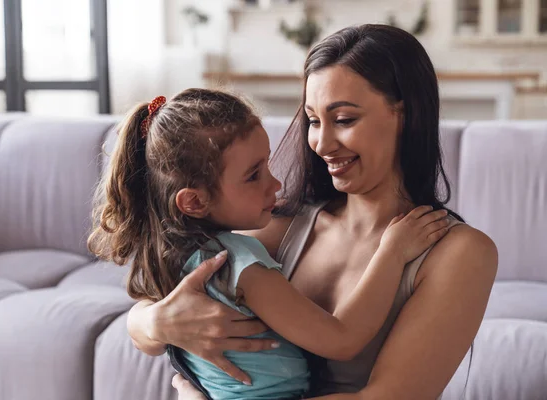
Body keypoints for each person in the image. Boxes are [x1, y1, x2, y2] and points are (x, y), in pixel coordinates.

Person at [127, 24, 498, 399]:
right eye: (314, 121)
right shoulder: (277, 225)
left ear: (405, 113)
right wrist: (156, 323)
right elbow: (157, 298)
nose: (322, 143)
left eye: (344, 120)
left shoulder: (460, 254)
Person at [88, 87, 450, 400]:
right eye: (254, 175)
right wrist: (392, 252)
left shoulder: (175, 258)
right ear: (194, 202)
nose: (275, 185)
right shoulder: (238, 262)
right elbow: (341, 339)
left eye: (343, 119)